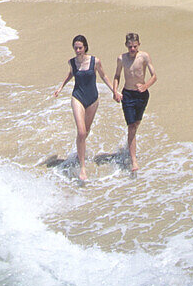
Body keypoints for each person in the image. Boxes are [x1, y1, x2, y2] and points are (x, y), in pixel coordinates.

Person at [53, 34, 114, 181]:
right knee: (81, 132)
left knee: (86, 132)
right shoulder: (72, 62)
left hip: (93, 99)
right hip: (78, 98)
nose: (78, 50)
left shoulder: (95, 61)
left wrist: (114, 91)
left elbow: (104, 76)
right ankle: (82, 168)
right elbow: (71, 74)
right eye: (75, 48)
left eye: (80, 48)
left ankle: (79, 151)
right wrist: (61, 87)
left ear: (85, 47)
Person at [113, 32, 157, 172]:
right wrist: (115, 91)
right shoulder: (121, 59)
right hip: (128, 94)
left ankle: (130, 144)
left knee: (136, 124)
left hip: (142, 95)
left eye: (135, 46)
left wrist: (145, 86)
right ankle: (134, 161)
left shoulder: (144, 56)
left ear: (139, 45)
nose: (132, 49)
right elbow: (117, 75)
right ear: (126, 45)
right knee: (131, 126)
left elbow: (154, 76)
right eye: (130, 46)